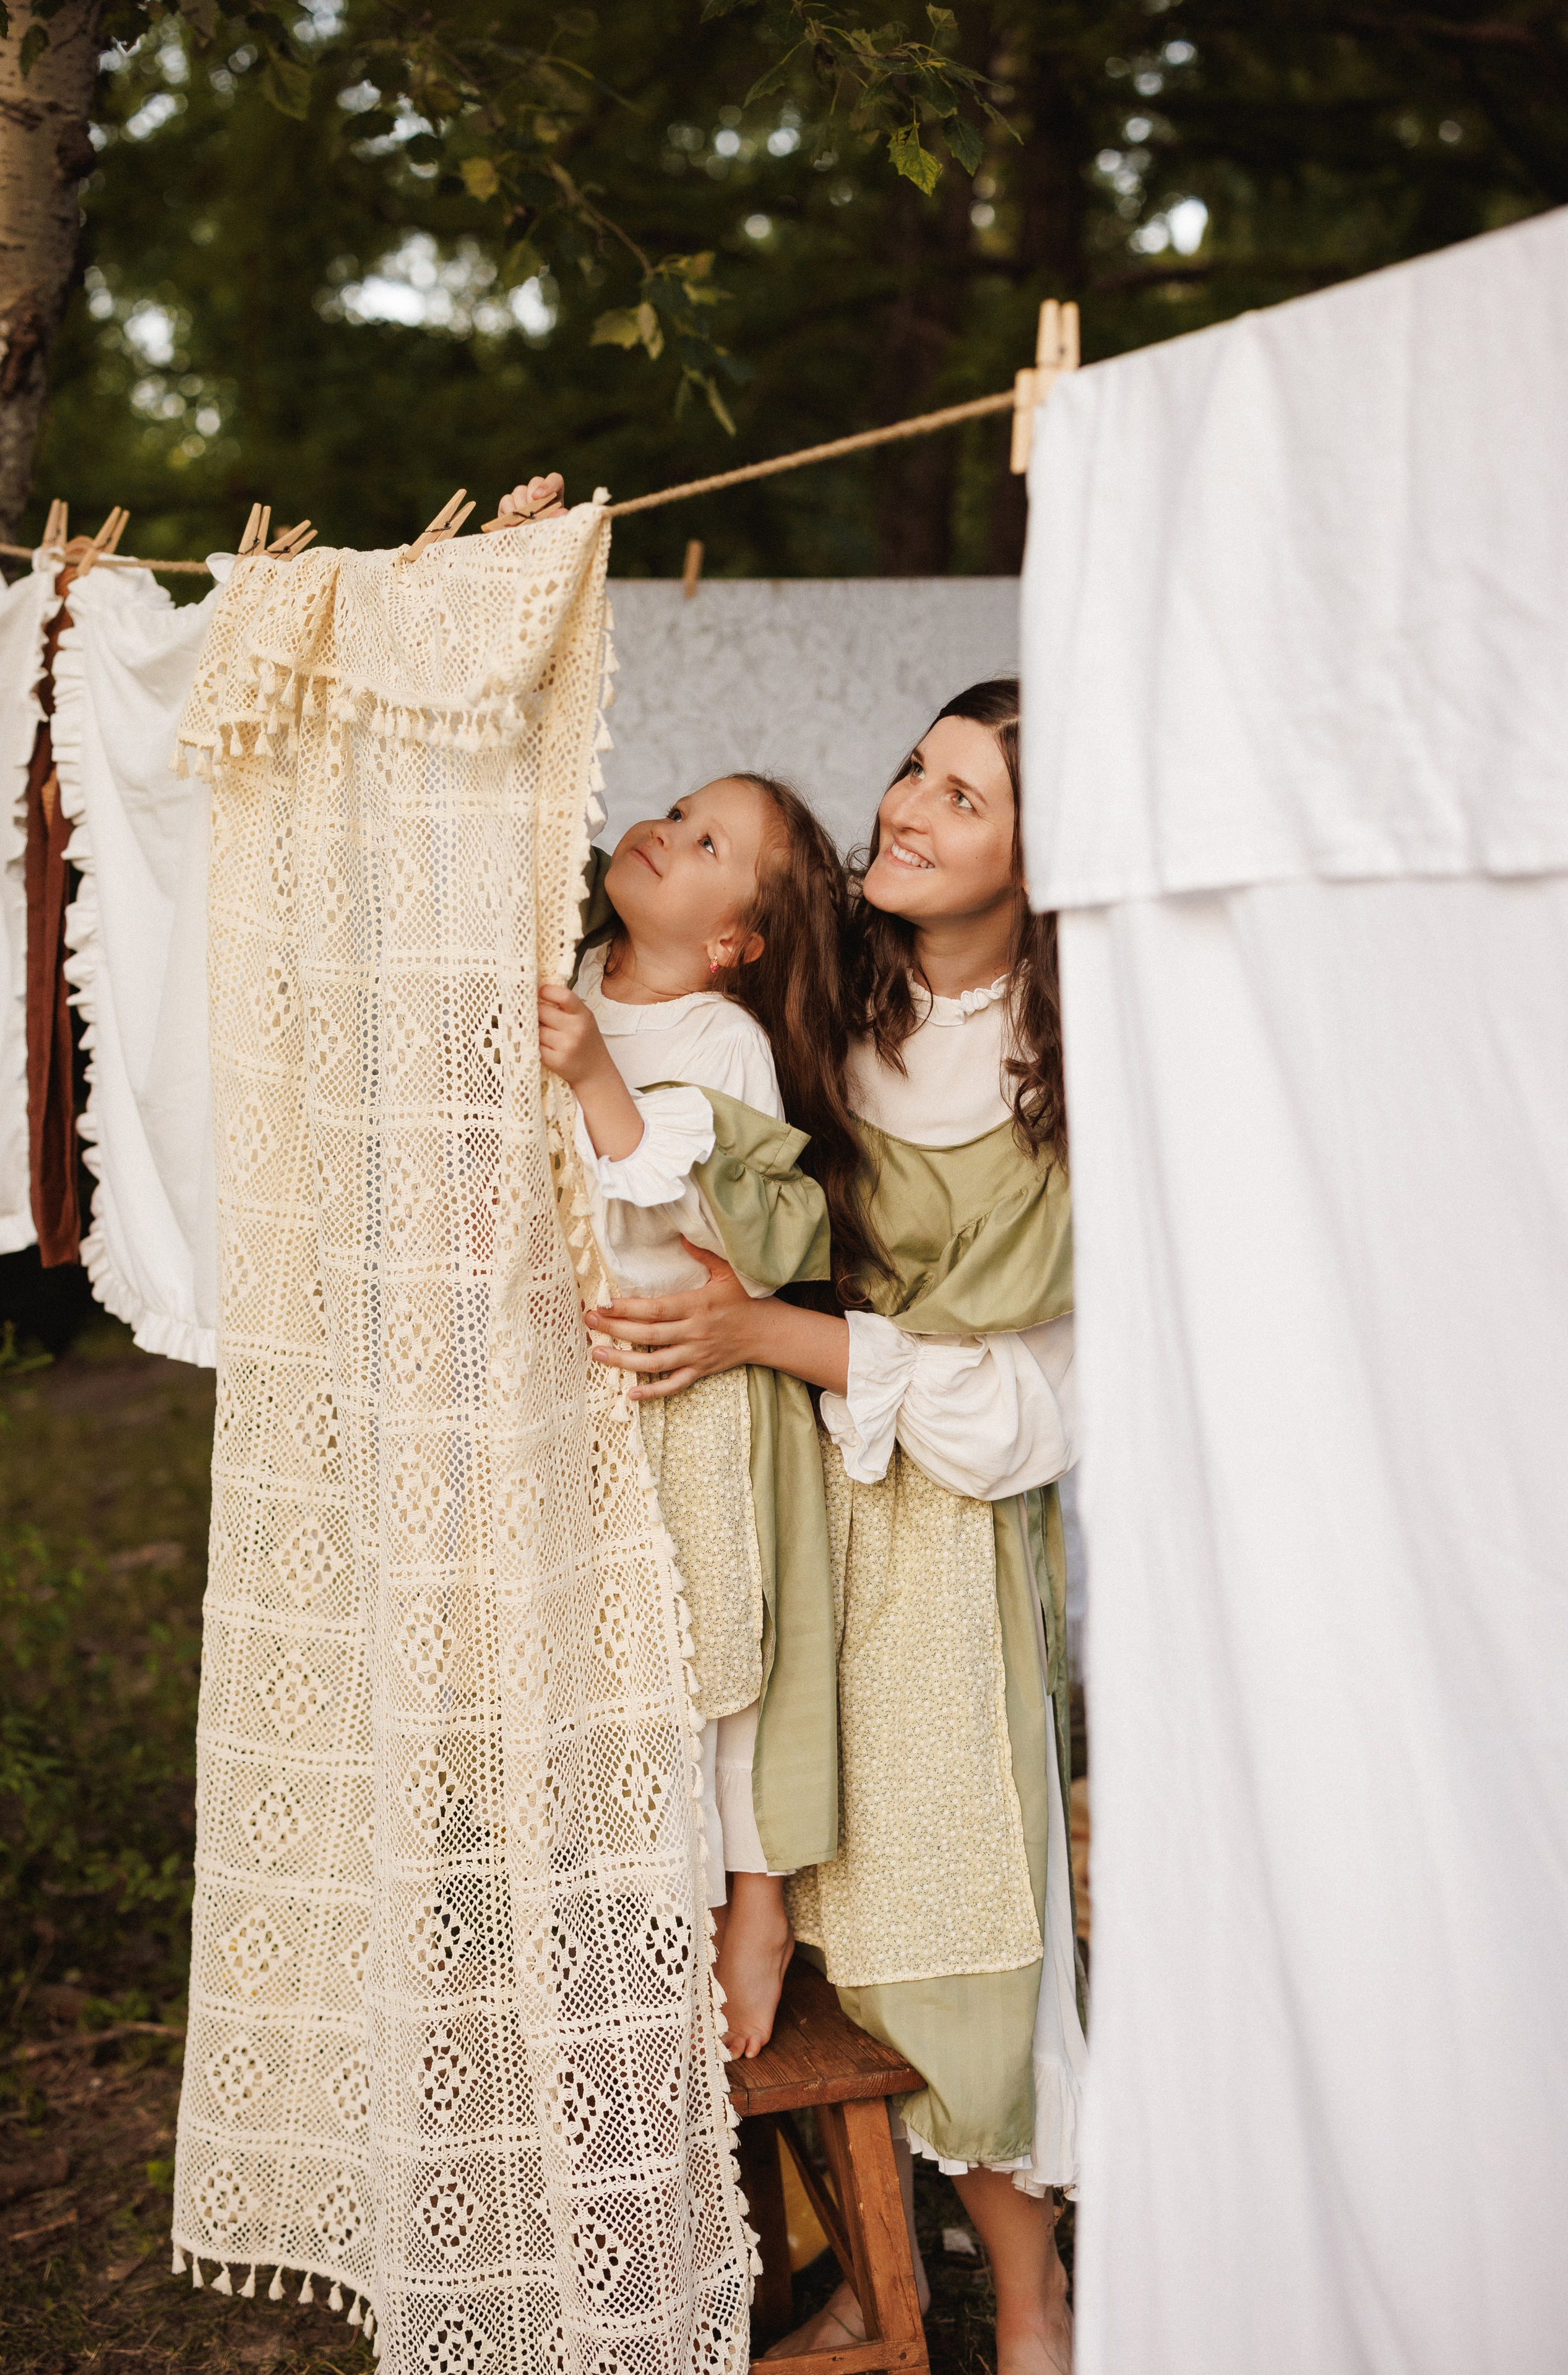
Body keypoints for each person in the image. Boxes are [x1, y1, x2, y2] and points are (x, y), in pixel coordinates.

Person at [583, 681, 1084, 2375]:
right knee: (801, 1925)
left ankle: (1028, 2304)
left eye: (968, 796)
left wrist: (765, 1335)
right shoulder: (819, 1008)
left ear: (1046, 856)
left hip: (942, 1537)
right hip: (791, 1494)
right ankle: (867, 2274)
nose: (912, 807)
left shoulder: (1072, 1081)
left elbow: (1028, 1409)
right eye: (917, 769)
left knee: (948, 1927)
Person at [537, 752, 872, 2059]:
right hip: (570, 1386)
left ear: (737, 939)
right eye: (676, 812)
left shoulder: (720, 1038)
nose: (664, 834)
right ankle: (603, 1906)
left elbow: (727, 1213)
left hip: (692, 1390)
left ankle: (748, 1900)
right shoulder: (568, 976)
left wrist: (593, 1081)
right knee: (591, 1654)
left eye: (707, 843)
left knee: (712, 1651)